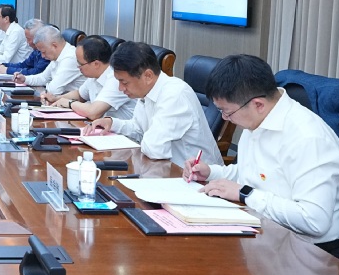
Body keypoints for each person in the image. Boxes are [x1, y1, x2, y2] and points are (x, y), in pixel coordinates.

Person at [188, 54, 339, 260]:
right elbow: (252, 174)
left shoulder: (309, 138)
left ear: (258, 104)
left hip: (311, 255)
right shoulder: (257, 120)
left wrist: (245, 194)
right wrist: (211, 173)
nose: (226, 119)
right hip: (266, 238)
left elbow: (314, 220)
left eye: (227, 112)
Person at [86, 41, 221, 168]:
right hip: (164, 170)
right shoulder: (147, 92)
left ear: (148, 76)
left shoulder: (174, 95)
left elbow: (155, 149)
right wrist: (112, 123)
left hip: (194, 177)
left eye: (124, 82)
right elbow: (139, 130)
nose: (120, 88)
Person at [48, 35, 135, 120]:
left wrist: (70, 103)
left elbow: (93, 112)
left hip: (120, 129)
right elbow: (80, 95)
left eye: (81, 64)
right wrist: (56, 99)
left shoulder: (116, 79)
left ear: (96, 64)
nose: (78, 67)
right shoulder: (94, 75)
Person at [18, 24, 84, 97]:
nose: (42, 56)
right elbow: (43, 78)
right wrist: (25, 79)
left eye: (44, 52)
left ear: (54, 45)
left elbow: (54, 90)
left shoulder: (70, 58)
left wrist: (45, 88)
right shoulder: (58, 55)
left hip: (74, 102)